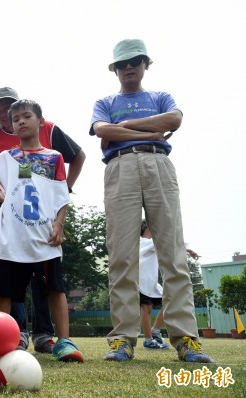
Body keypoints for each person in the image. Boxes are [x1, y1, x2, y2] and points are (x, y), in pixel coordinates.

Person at [90, 39, 214, 363]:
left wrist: (126, 126)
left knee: (173, 253)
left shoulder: (161, 96)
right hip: (120, 167)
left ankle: (186, 338)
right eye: (122, 63)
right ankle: (122, 340)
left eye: (135, 61)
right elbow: (102, 130)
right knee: (121, 256)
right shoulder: (104, 101)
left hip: (159, 164)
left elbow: (174, 119)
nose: (128, 67)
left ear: (146, 63)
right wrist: (148, 131)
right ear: (115, 69)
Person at [0, 87, 86, 353]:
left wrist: (59, 223)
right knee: (5, 290)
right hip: (12, 234)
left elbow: (60, 194)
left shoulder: (54, 158)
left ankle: (63, 341)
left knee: (54, 287)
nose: (20, 121)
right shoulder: (7, 156)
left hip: (44, 233)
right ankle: (4, 340)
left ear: (40, 121)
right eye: (15, 117)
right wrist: (1, 194)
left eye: (26, 116)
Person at [139, 220, 202, 350]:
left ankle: (155, 330)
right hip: (141, 282)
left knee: (169, 302)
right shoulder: (143, 242)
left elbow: (167, 246)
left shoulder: (151, 243)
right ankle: (148, 339)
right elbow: (168, 245)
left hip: (151, 283)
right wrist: (189, 250)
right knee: (146, 309)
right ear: (147, 229)